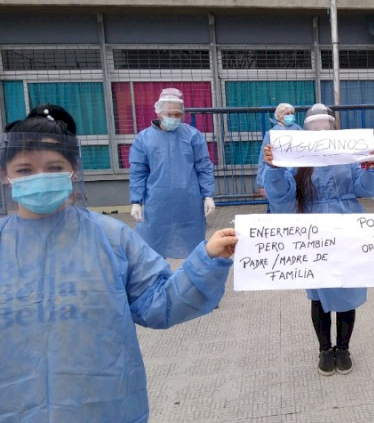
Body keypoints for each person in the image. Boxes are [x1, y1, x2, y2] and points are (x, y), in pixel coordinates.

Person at [0, 105, 238, 423]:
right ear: (6, 173)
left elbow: (160, 302)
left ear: (72, 169)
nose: (40, 178)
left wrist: (206, 259)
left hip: (104, 407)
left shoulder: (111, 238)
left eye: (54, 167)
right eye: (26, 170)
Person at [262, 103, 374, 376]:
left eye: (325, 125)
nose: (320, 130)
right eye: (314, 126)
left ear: (333, 127)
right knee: (318, 293)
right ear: (305, 130)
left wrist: (372, 167)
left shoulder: (347, 153)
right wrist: (275, 169)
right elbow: (282, 198)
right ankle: (324, 349)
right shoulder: (298, 157)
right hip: (313, 229)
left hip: (347, 225)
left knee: (348, 289)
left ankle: (344, 347)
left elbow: (364, 187)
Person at [129, 88, 216, 259]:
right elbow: (138, 172)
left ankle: (190, 283)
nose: (174, 118)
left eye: (178, 114)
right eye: (170, 114)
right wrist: (136, 201)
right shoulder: (144, 138)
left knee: (193, 251)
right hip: (157, 204)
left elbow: (204, 166)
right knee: (153, 251)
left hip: (188, 204)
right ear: (159, 113)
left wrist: (208, 195)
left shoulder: (193, 136)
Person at [256, 102, 302, 203]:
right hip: (278, 175)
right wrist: (261, 184)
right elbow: (263, 159)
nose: (290, 116)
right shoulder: (272, 134)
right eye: (287, 114)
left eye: (292, 113)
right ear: (279, 116)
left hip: (297, 174)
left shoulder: (298, 130)